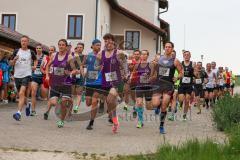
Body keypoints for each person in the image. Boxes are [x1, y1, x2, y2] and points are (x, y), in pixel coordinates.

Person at [96, 33, 128, 133]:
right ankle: (115, 121)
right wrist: (99, 68)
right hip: (106, 80)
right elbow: (97, 66)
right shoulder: (100, 54)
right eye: (105, 41)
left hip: (117, 80)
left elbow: (125, 66)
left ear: (113, 42)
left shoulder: (119, 53)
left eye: (109, 41)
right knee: (109, 103)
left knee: (110, 100)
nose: (108, 43)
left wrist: (125, 76)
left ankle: (118, 101)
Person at [151, 42, 183, 134]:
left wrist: (177, 77)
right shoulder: (158, 58)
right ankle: (158, 106)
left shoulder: (175, 61)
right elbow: (153, 68)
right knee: (155, 103)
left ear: (172, 49)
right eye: (166, 47)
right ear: (164, 48)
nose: (167, 48)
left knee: (164, 105)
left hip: (168, 84)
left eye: (169, 47)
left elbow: (181, 72)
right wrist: (153, 67)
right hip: (158, 84)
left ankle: (161, 125)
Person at [44, 39, 76, 128]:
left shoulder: (69, 57)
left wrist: (70, 73)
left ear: (66, 47)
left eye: (63, 45)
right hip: (55, 83)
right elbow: (47, 66)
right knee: (54, 102)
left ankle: (61, 121)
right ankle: (61, 102)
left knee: (63, 103)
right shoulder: (54, 55)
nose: (61, 46)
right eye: (59, 45)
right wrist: (47, 75)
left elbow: (75, 70)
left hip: (66, 84)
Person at [10, 35, 37, 121]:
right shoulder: (16, 51)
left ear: (28, 42)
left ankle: (18, 113)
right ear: (20, 42)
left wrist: (34, 66)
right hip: (17, 75)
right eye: (22, 41)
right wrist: (14, 60)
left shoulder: (31, 52)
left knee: (21, 93)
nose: (24, 42)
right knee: (21, 95)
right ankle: (28, 104)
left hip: (27, 74)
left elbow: (35, 59)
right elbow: (11, 64)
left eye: (25, 41)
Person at [132, 50, 155, 128]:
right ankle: (140, 121)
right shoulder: (137, 65)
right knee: (139, 103)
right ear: (140, 56)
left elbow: (154, 75)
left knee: (149, 107)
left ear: (147, 56)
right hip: (139, 87)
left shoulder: (151, 65)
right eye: (142, 54)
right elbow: (134, 74)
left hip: (148, 87)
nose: (143, 56)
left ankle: (157, 107)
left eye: (145, 54)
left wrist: (150, 78)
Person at [84, 39, 102, 130]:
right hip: (89, 82)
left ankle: (91, 122)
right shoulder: (88, 56)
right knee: (88, 103)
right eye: (97, 45)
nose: (99, 47)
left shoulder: (103, 56)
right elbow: (82, 65)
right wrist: (82, 73)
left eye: (100, 45)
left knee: (94, 102)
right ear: (93, 45)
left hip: (99, 82)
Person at [178, 51, 195, 121]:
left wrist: (195, 75)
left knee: (187, 100)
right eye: (185, 55)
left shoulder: (193, 64)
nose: (186, 56)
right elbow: (177, 72)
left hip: (189, 85)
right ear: (183, 56)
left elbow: (195, 73)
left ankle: (184, 115)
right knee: (181, 99)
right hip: (182, 84)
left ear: (190, 56)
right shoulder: (180, 64)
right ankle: (179, 104)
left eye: (188, 55)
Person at [30, 44, 46, 116]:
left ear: (42, 49)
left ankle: (47, 110)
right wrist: (32, 67)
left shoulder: (45, 57)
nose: (38, 49)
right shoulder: (33, 57)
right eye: (37, 48)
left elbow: (47, 66)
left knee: (44, 95)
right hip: (35, 76)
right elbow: (29, 65)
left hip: (42, 77)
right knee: (33, 93)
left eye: (40, 48)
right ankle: (33, 110)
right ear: (35, 49)